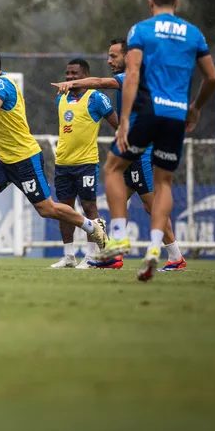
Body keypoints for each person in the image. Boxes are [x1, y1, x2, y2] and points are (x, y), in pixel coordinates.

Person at [0, 47, 107, 265]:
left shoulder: (0, 84)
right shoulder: (4, 84)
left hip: (24, 158)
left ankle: (92, 227)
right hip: (4, 159)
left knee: (47, 209)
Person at [102, 0, 215, 281]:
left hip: (147, 111)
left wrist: (125, 119)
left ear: (151, 2)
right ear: (176, 3)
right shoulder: (194, 34)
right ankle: (155, 245)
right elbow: (212, 78)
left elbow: (133, 73)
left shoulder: (141, 30)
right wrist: (196, 108)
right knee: (164, 182)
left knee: (113, 168)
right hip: (177, 115)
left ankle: (118, 236)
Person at [53, 37, 185, 272]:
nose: (109, 60)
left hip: (140, 153)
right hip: (129, 152)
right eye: (109, 55)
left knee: (152, 206)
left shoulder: (131, 76)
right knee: (117, 202)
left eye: (114, 56)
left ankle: (175, 256)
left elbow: (100, 82)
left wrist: (74, 83)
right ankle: (113, 256)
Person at [48, 58, 116, 269]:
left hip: (86, 163)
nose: (70, 77)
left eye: (74, 73)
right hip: (63, 163)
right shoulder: (61, 98)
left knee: (89, 207)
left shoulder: (96, 98)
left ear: (86, 76)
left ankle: (91, 256)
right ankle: (69, 256)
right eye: (68, 73)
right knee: (64, 210)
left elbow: (119, 126)